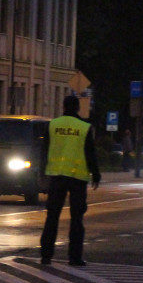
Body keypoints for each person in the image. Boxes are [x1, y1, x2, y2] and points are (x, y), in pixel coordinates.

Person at [39, 95, 101, 266]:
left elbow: (44, 151)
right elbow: (90, 153)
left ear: (63, 107)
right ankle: (74, 257)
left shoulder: (53, 125)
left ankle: (46, 256)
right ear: (78, 108)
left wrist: (42, 172)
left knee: (52, 216)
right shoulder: (84, 127)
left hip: (56, 176)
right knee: (76, 219)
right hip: (78, 178)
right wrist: (96, 174)